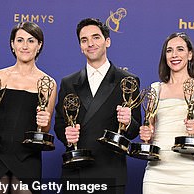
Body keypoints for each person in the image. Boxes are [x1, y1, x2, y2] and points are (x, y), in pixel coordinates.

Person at [54, 18, 142, 194]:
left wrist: (127, 122)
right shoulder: (68, 82)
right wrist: (67, 135)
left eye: (96, 37)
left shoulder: (127, 81)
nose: (90, 44)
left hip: (110, 174)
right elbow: (59, 124)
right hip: (75, 172)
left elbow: (134, 130)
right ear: (80, 46)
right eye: (84, 40)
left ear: (107, 41)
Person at [0, 21, 57, 194]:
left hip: (28, 155)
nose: (25, 46)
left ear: (39, 45)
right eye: (20, 40)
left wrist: (45, 121)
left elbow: (44, 129)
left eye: (31, 40)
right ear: (12, 44)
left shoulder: (48, 83)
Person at [140, 32, 194, 194]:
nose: (174, 55)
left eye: (180, 49)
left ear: (190, 55)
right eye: (169, 51)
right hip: (156, 174)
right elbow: (148, 134)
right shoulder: (155, 89)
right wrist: (146, 134)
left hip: (190, 175)